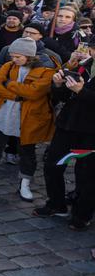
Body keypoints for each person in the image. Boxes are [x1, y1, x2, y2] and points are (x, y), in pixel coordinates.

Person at [0, 38, 53, 200]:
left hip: (30, 116)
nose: (13, 60)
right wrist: (15, 95)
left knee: (27, 151)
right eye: (12, 56)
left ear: (29, 56)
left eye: (17, 57)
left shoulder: (45, 70)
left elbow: (34, 92)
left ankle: (24, 183)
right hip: (5, 111)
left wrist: (10, 84)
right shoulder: (8, 66)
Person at [35, 47, 95, 226]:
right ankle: (56, 204)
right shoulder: (83, 66)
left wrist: (81, 91)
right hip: (67, 126)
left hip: (90, 132)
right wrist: (59, 85)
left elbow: (82, 94)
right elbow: (63, 97)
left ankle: (82, 215)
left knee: (87, 174)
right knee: (53, 165)